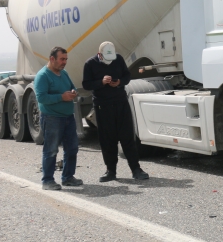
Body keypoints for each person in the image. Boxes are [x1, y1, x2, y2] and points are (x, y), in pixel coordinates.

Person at [82, 41, 149, 182]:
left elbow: (127, 76)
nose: (109, 62)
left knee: (127, 137)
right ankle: (110, 171)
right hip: (102, 106)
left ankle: (136, 169)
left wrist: (119, 82)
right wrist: (101, 82)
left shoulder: (118, 59)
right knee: (107, 139)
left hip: (120, 103)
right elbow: (86, 84)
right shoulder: (90, 63)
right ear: (99, 54)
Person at [34, 46, 83, 190]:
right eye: (62, 59)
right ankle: (47, 180)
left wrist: (74, 92)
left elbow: (73, 87)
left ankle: (68, 177)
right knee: (51, 150)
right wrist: (62, 97)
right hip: (52, 119)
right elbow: (41, 98)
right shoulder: (43, 76)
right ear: (52, 59)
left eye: (66, 59)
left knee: (72, 148)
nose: (64, 62)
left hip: (68, 118)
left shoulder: (64, 73)